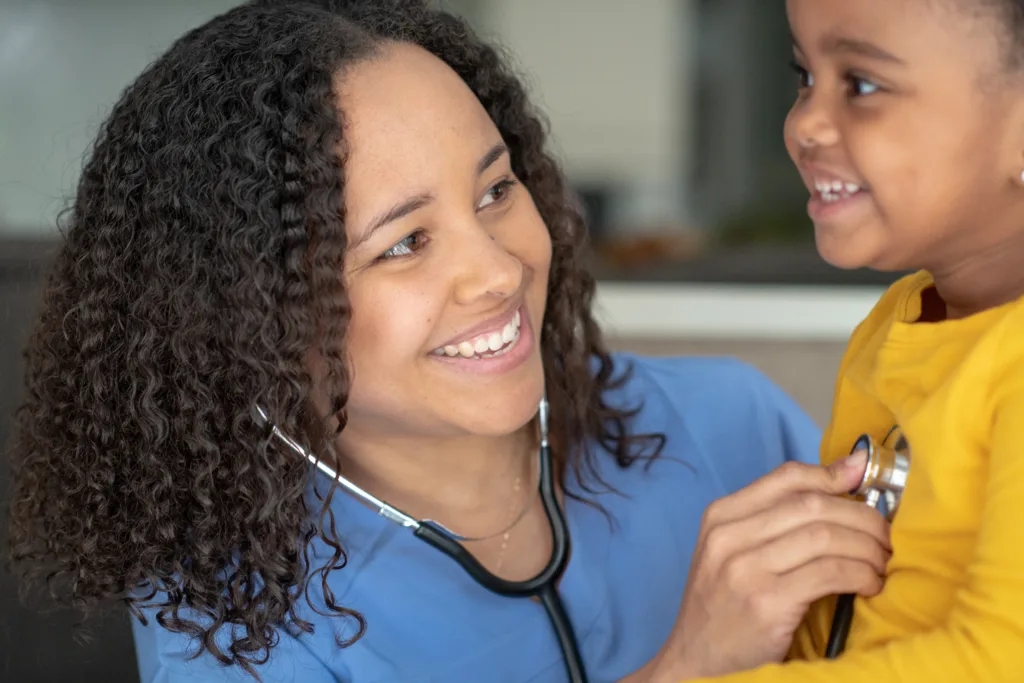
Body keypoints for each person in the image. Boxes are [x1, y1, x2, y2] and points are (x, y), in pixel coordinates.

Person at [4, 2, 891, 682]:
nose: (498, 272)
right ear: (251, 315)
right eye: (404, 243)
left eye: (496, 191)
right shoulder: (229, 617)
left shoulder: (723, 423)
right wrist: (686, 664)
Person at [684, 0, 1024, 681]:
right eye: (804, 75)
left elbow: (996, 659)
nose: (804, 122)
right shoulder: (898, 318)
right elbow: (840, 617)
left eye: (862, 85)